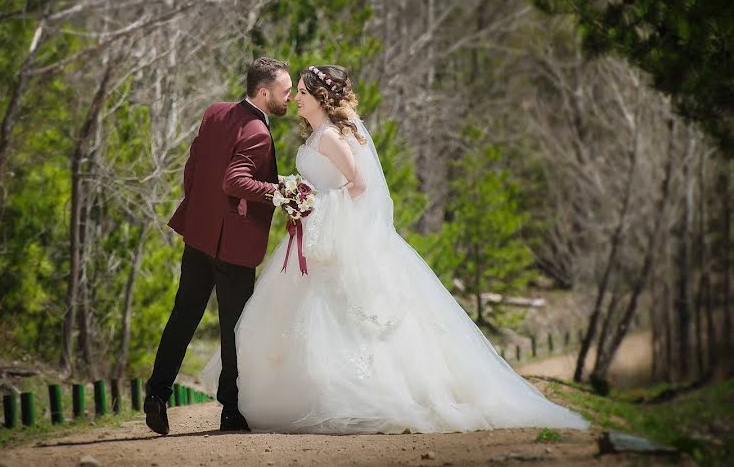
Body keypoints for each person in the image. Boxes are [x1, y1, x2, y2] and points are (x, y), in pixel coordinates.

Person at [202, 64, 589, 434]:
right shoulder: (316, 136)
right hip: (311, 237)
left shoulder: (334, 138)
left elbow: (358, 186)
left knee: (342, 316)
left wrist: (315, 204)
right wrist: (300, 197)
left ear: (321, 97)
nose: (297, 99)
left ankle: (350, 398)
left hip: (334, 235)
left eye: (302, 92)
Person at [144, 57, 292, 435]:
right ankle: (231, 411)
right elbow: (234, 180)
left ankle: (156, 393)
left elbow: (192, 168)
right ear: (264, 92)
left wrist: (200, 209)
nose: (289, 97)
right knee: (234, 328)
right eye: (285, 91)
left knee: (184, 314)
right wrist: (277, 192)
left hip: (199, 234)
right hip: (232, 248)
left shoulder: (215, 113)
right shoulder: (258, 131)